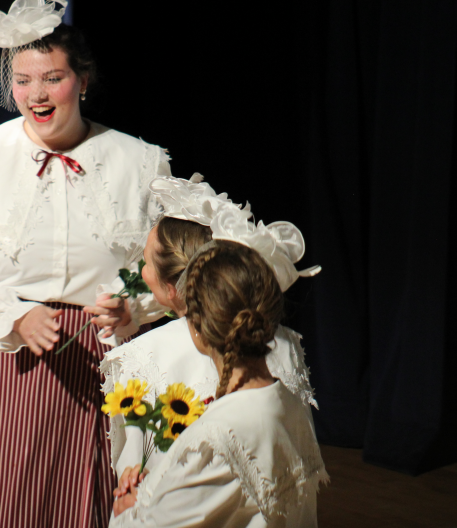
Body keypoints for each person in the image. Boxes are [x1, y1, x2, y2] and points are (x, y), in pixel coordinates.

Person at [0, 0, 170, 528]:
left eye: (52, 77)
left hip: (97, 356)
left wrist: (133, 312)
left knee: (82, 500)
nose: (36, 93)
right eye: (23, 80)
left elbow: (162, 264)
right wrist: (13, 315)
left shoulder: (141, 160)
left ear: (83, 80)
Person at [101, 174, 320, 477]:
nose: (143, 273)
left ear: (173, 287)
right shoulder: (279, 340)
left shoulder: (140, 354)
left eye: (147, 264)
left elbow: (133, 466)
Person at [110, 239, 328, 527]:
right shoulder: (289, 403)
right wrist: (157, 490)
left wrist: (127, 511)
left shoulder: (216, 439)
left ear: (198, 328)